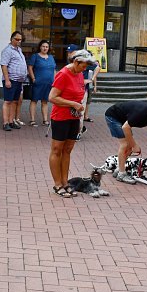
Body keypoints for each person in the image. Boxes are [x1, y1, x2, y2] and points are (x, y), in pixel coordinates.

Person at [48, 49, 95, 197]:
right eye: (84, 65)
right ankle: (57, 184)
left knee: (67, 150)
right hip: (61, 117)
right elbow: (52, 97)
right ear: (76, 62)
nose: (85, 68)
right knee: (57, 150)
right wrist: (73, 104)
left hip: (74, 118)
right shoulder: (63, 74)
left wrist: (78, 112)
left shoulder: (79, 73)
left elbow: (79, 94)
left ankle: (65, 182)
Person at [105, 101, 147, 184]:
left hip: (124, 120)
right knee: (125, 145)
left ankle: (119, 169)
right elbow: (125, 127)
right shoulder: (141, 113)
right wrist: (134, 145)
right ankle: (121, 175)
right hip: (113, 116)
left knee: (129, 146)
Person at [0, 31, 28, 131]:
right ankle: (5, 122)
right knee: (8, 101)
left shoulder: (19, 50)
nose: (18, 41)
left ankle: (11, 121)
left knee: (15, 101)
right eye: (16, 39)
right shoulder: (7, 50)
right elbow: (4, 65)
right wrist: (7, 80)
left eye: (20, 40)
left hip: (18, 81)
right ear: (11, 39)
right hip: (11, 79)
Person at [27, 40, 56, 127]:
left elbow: (53, 69)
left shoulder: (51, 57)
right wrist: (33, 78)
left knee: (45, 101)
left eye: (46, 47)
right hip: (38, 83)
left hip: (48, 83)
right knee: (34, 100)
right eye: (43, 46)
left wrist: (55, 80)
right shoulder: (35, 56)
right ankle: (32, 120)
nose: (45, 48)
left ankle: (45, 120)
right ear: (40, 47)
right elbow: (30, 67)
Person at [76, 58, 101, 141]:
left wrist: (92, 79)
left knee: (80, 113)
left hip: (83, 91)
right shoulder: (71, 65)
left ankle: (78, 133)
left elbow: (97, 67)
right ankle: (79, 128)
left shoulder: (87, 64)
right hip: (72, 91)